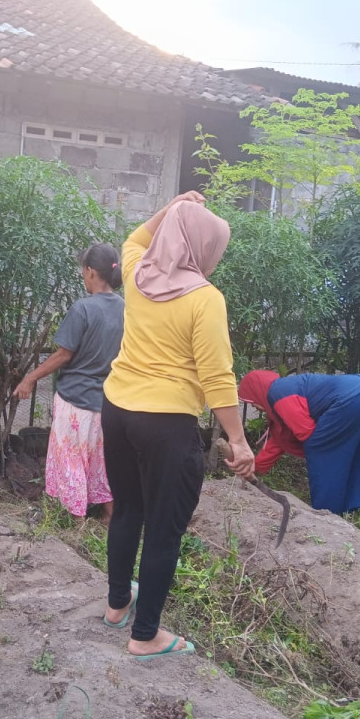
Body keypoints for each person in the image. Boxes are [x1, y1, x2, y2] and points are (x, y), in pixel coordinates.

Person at [99, 191, 255, 661]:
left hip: (117, 409)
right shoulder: (204, 298)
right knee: (165, 530)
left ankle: (117, 605)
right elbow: (217, 376)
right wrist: (238, 440)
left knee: (127, 510)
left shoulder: (137, 274)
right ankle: (145, 635)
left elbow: (134, 239)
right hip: (166, 424)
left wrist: (172, 207)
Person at [13, 243, 124, 521]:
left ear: (90, 271)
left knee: (71, 457)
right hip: (107, 401)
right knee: (100, 459)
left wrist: (29, 378)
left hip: (75, 400)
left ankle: (76, 518)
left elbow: (64, 354)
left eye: (82, 271)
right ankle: (110, 516)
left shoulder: (83, 308)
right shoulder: (125, 309)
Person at [238, 370, 360, 515]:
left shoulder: (279, 394)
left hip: (354, 399)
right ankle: (353, 506)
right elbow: (279, 441)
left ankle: (327, 511)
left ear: (257, 391)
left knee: (318, 446)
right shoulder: (287, 390)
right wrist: (253, 470)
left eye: (251, 400)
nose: (253, 406)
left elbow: (306, 432)